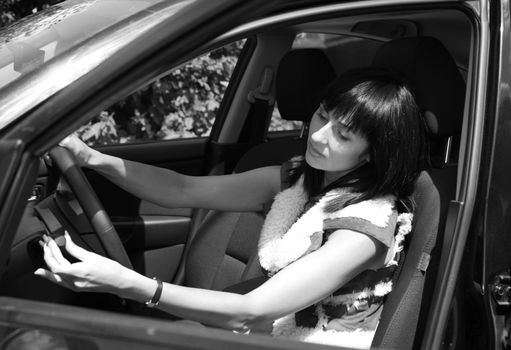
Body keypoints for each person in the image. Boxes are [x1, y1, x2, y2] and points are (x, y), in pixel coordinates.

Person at [35, 69, 427, 349]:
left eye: (343, 134)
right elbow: (181, 188)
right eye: (323, 115)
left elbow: (251, 311)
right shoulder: (298, 177)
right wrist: (92, 158)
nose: (319, 136)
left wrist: (130, 284)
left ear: (373, 153)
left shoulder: (366, 226)